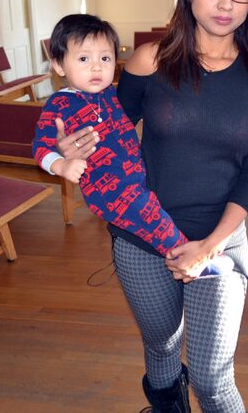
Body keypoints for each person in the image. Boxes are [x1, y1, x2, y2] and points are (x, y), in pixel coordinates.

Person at [54, 0, 248, 412]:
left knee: (212, 377)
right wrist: (68, 148)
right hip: (141, 239)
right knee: (161, 348)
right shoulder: (150, 60)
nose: (226, 3)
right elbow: (107, 134)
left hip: (218, 241)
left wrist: (210, 245)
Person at [32, 14, 233, 277]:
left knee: (153, 213)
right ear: (59, 65)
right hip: (109, 188)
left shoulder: (110, 94)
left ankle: (191, 251)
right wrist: (61, 164)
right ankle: (189, 257)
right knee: (150, 216)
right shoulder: (59, 104)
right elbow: (40, 146)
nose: (96, 67)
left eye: (105, 58)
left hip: (134, 176)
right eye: (83, 59)